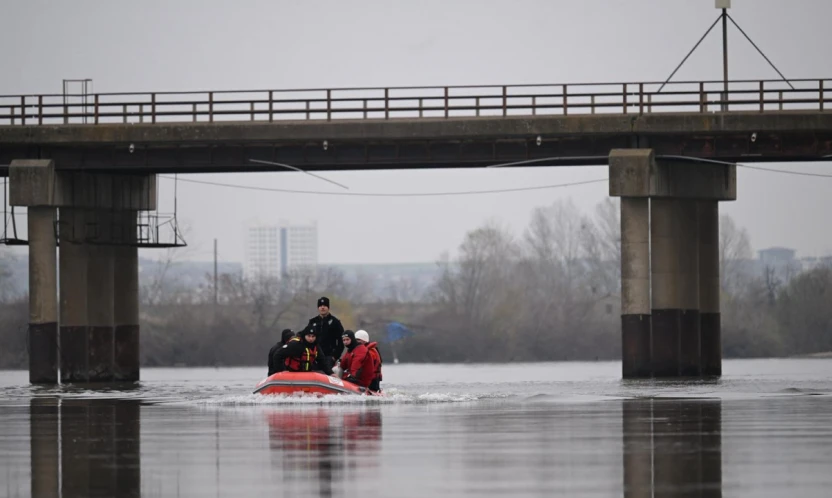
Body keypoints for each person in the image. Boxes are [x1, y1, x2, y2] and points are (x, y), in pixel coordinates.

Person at [306, 296, 344, 370]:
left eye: (325, 306)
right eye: (320, 306)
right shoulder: (312, 321)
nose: (322, 307)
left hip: (328, 357)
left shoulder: (335, 322)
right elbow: (306, 337)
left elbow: (341, 341)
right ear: (318, 308)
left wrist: (334, 356)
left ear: (328, 307)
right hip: (314, 356)